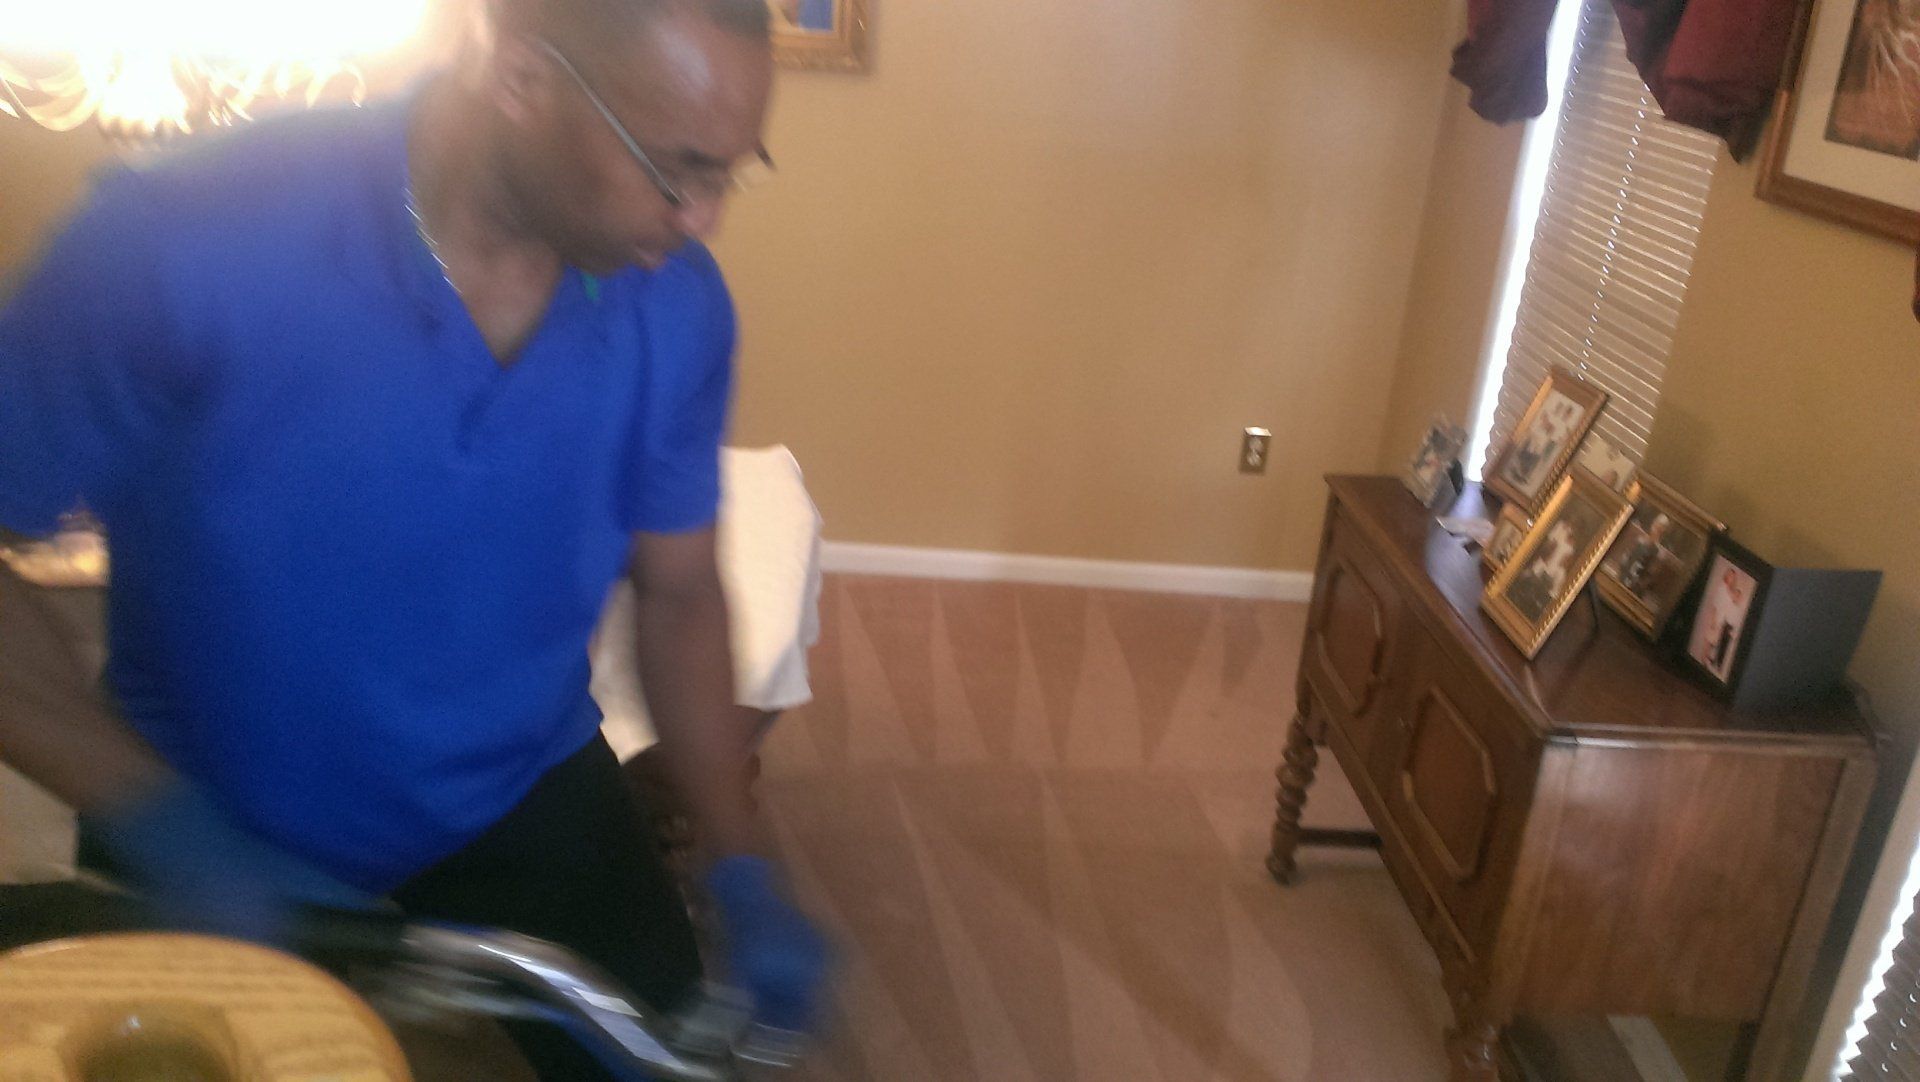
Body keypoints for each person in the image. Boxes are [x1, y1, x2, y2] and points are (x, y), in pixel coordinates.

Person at [0, 0, 829, 1076]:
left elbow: (679, 592)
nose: (705, 219)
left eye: (732, 170)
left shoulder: (674, 305)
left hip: (518, 783)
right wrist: (163, 822)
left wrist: (741, 862)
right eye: (676, 169)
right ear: (523, 78)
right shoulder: (175, 237)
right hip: (208, 807)